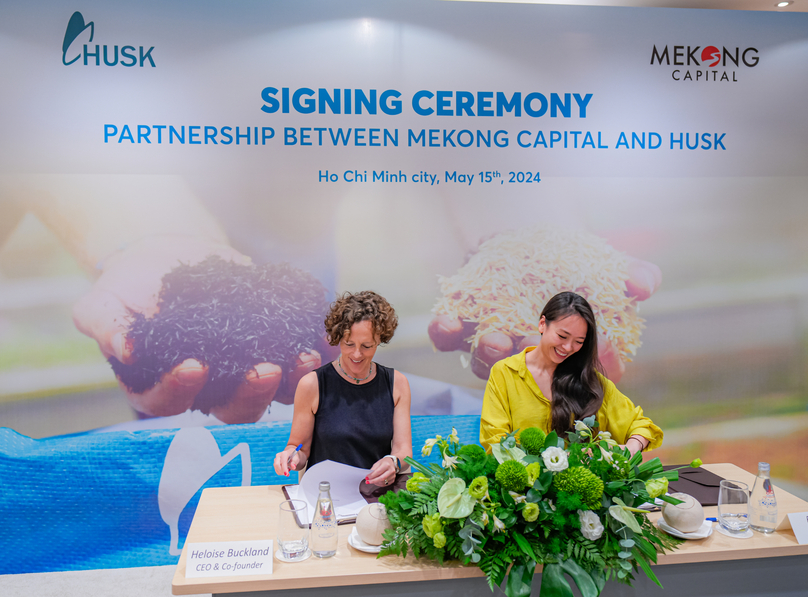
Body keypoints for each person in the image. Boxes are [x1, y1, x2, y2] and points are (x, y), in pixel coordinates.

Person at [479, 291, 661, 456]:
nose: (567, 348)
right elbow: (496, 443)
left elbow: (641, 425)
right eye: (562, 336)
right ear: (542, 324)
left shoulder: (588, 380)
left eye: (578, 341)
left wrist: (631, 448)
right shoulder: (505, 372)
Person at [273, 291, 412, 486]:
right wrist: (291, 457)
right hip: (326, 498)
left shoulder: (397, 383)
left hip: (376, 498)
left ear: (380, 339)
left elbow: (403, 449)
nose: (357, 354)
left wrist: (393, 462)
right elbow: (299, 449)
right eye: (349, 344)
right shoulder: (311, 385)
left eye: (366, 346)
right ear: (337, 338)